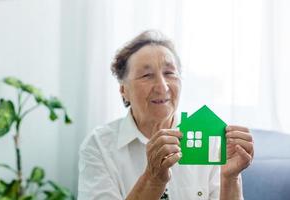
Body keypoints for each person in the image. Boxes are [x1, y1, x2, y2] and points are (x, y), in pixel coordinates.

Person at [78, 30, 254, 200]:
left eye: (169, 73)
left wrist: (231, 179)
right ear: (124, 90)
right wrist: (152, 179)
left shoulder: (210, 137)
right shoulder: (99, 145)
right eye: (147, 75)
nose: (162, 87)